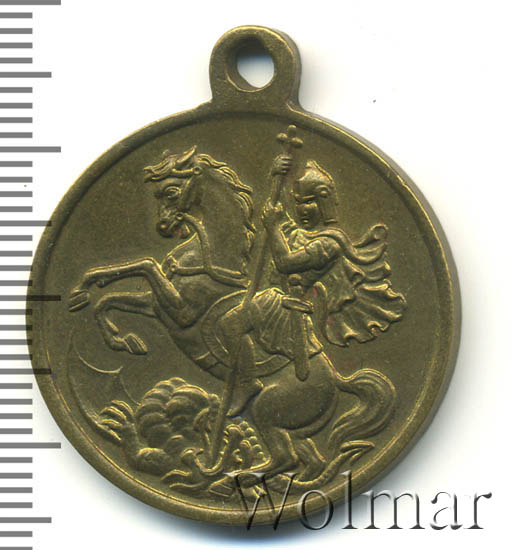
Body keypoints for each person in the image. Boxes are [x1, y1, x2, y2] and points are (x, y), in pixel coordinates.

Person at [220, 155, 406, 416]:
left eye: (309, 202)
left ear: (324, 203)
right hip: (278, 299)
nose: (302, 210)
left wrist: (272, 228)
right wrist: (275, 177)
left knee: (230, 324)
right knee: (229, 325)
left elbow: (285, 262)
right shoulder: (304, 234)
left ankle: (247, 382)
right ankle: (248, 381)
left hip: (286, 308)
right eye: (298, 203)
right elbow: (277, 215)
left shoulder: (330, 243)